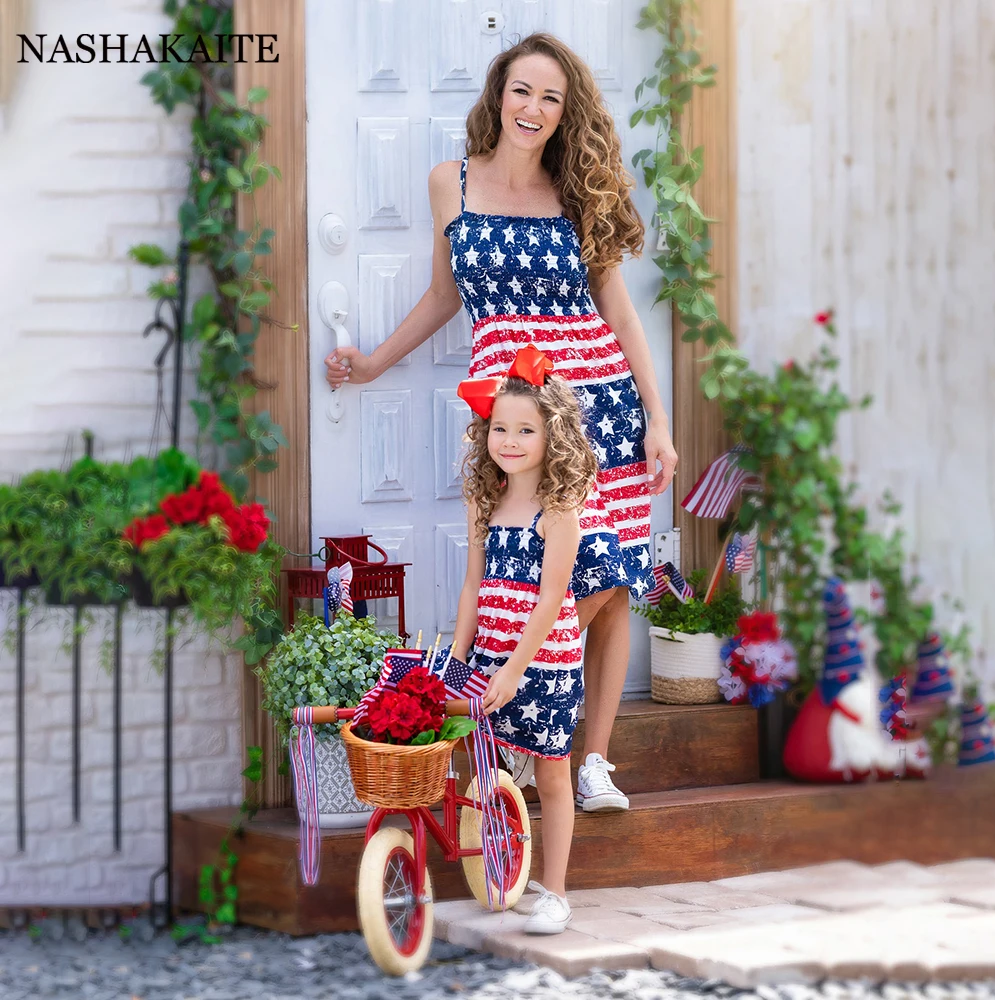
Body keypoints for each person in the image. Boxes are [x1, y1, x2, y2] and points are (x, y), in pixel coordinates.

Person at [325, 33, 678, 812]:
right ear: (498, 93)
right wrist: (377, 363)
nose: (534, 109)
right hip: (511, 413)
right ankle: (517, 735)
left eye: (551, 98)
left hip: (597, 405)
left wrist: (657, 417)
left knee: (610, 583)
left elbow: (616, 306)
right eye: (522, 91)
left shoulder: (576, 188)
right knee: (519, 573)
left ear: (565, 112)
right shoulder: (450, 182)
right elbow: (447, 295)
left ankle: (592, 762)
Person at [452, 347, 595, 934]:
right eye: (501, 428)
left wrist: (513, 671)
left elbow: (550, 602)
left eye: (526, 430)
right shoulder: (486, 500)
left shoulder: (559, 509)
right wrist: (458, 662)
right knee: (486, 762)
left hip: (544, 664)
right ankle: (497, 867)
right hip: (490, 654)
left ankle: (556, 892)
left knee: (553, 773)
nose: (509, 441)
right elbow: (472, 585)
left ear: (551, 435)